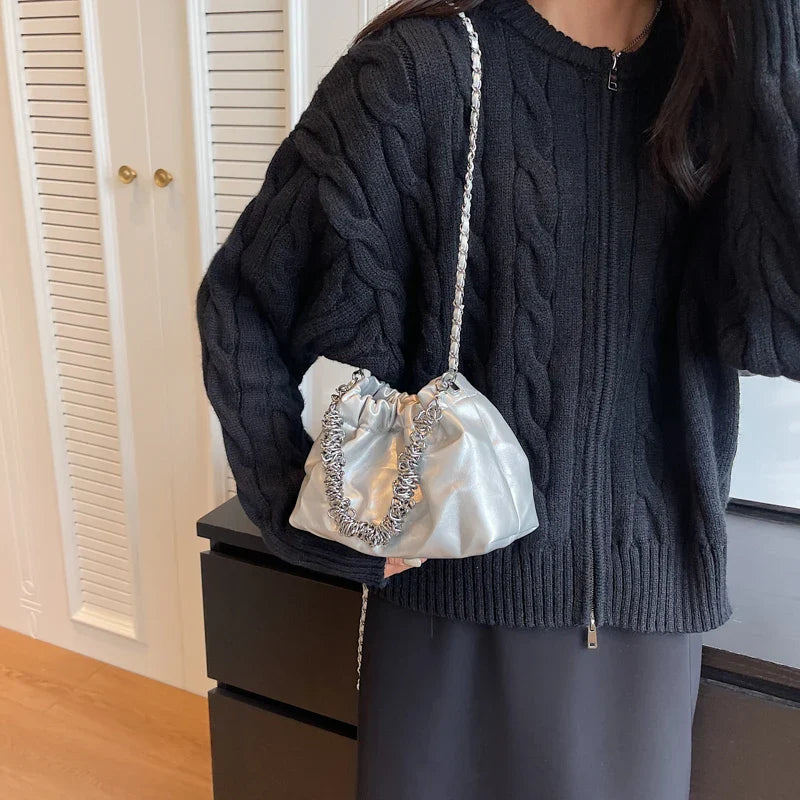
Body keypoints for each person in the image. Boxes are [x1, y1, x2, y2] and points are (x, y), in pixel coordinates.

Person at [195, 0, 800, 797]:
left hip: (646, 631)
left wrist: (774, 43)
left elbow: (783, 333)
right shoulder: (423, 72)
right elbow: (244, 304)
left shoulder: (725, 92)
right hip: (452, 617)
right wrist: (306, 517)